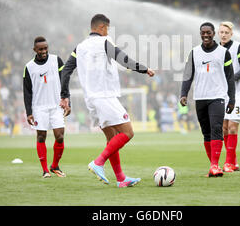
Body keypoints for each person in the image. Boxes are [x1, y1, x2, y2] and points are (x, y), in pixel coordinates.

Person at [60, 14, 155, 188]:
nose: (108, 32)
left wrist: (64, 95)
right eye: (107, 29)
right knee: (127, 133)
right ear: (102, 27)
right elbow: (124, 60)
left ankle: (121, 179)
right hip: (105, 96)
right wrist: (144, 69)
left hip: (91, 99)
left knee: (111, 138)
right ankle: (98, 162)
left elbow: (66, 70)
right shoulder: (105, 42)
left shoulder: (79, 47)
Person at [180, 22, 235, 177]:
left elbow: (230, 78)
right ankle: (213, 165)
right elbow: (187, 75)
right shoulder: (194, 52)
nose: (205, 35)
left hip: (218, 97)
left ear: (214, 33)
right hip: (200, 97)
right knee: (206, 133)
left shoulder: (224, 53)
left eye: (208, 32)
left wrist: (232, 99)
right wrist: (183, 93)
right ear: (200, 34)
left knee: (216, 128)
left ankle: (215, 165)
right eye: (203, 33)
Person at [23, 36, 68, 178]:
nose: (44, 51)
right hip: (39, 107)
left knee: (60, 136)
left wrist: (67, 100)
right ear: (34, 50)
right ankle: (44, 170)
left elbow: (64, 81)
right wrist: (29, 112)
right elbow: (27, 92)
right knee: (41, 136)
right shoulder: (29, 67)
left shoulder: (56, 60)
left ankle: (55, 166)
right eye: (40, 49)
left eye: (46, 48)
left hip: (56, 105)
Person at [218, 21, 240, 172]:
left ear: (231, 34)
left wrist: (230, 79)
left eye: (226, 32)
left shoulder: (238, 47)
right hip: (223, 93)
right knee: (224, 128)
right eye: (221, 32)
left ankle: (228, 163)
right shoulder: (216, 50)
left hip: (239, 92)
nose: (223, 35)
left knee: (232, 128)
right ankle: (233, 161)